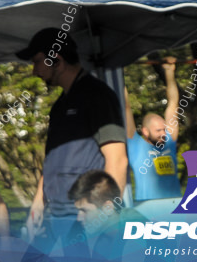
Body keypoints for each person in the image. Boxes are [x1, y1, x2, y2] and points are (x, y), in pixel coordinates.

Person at [17, 29, 127, 253]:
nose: (34, 70)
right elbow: (52, 161)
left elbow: (118, 160)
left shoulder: (98, 95)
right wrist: (38, 204)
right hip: (56, 219)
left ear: (57, 60)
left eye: (37, 62)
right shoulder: (59, 106)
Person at [125, 56, 182, 201]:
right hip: (148, 212)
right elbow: (125, 107)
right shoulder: (136, 145)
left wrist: (169, 73)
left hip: (174, 208)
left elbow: (173, 103)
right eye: (158, 131)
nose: (163, 133)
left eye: (164, 129)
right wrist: (119, 71)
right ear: (145, 131)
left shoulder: (169, 140)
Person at [67, 170, 143, 260]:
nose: (79, 218)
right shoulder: (103, 237)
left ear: (108, 208)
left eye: (85, 211)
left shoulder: (137, 236)